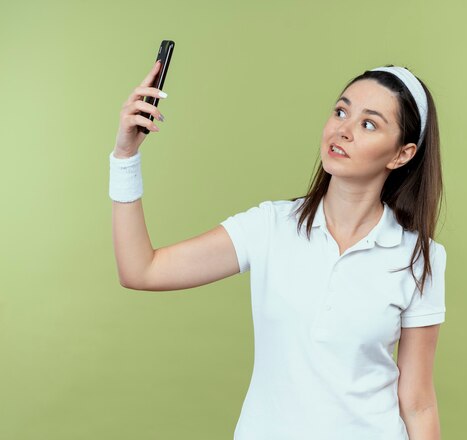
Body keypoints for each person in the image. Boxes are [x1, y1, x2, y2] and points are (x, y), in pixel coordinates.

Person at [110, 61, 447, 440]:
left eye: (368, 124)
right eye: (341, 111)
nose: (343, 130)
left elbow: (418, 403)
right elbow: (141, 271)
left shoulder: (420, 258)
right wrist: (125, 157)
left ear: (401, 155)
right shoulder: (270, 227)